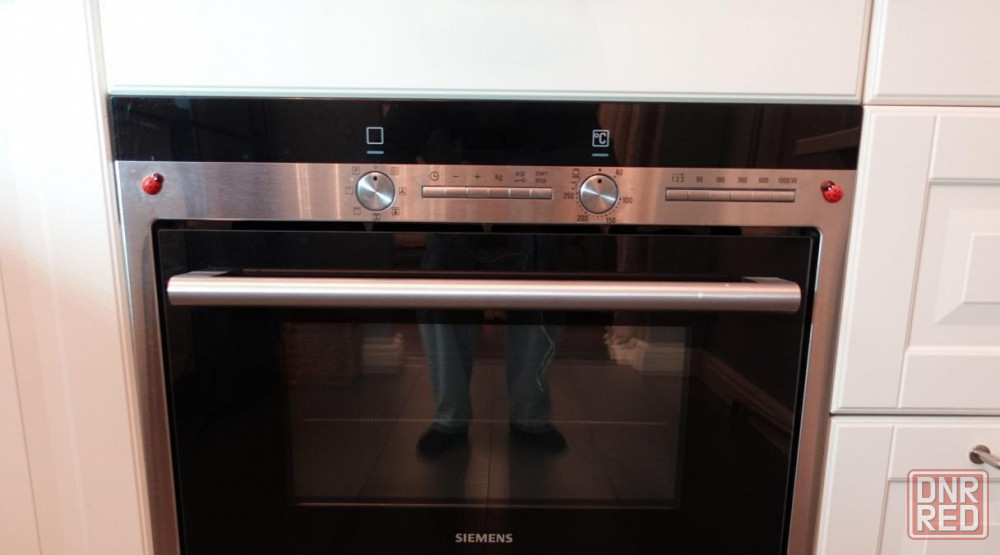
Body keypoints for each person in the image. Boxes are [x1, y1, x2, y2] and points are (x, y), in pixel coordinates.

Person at [416, 234, 566, 456]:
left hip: (531, 222)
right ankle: (452, 416)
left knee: (540, 288)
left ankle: (529, 415)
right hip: (454, 221)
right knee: (437, 293)